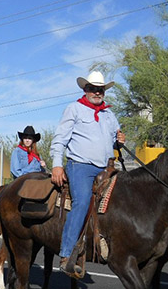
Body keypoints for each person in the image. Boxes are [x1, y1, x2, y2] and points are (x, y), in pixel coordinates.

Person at [50, 71, 125, 275]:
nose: (97, 92)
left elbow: (114, 140)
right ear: (85, 90)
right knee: (82, 201)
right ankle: (66, 254)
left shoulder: (109, 114)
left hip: (106, 167)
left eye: (100, 89)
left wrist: (119, 140)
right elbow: (60, 138)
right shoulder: (74, 109)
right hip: (80, 165)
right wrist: (57, 165)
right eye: (93, 88)